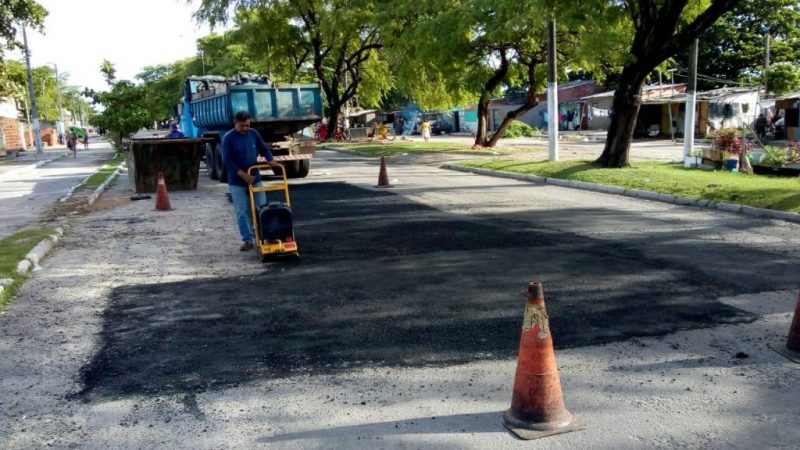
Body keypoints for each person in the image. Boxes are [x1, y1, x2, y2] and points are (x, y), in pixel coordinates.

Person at [222, 111, 279, 251]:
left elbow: (263, 148)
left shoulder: (253, 134)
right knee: (242, 211)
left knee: (263, 208)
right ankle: (248, 240)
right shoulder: (228, 138)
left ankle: (267, 235)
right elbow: (227, 161)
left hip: (255, 177)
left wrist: (270, 159)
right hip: (237, 180)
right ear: (235, 123)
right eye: (242, 126)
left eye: (247, 125)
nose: (245, 129)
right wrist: (242, 174)